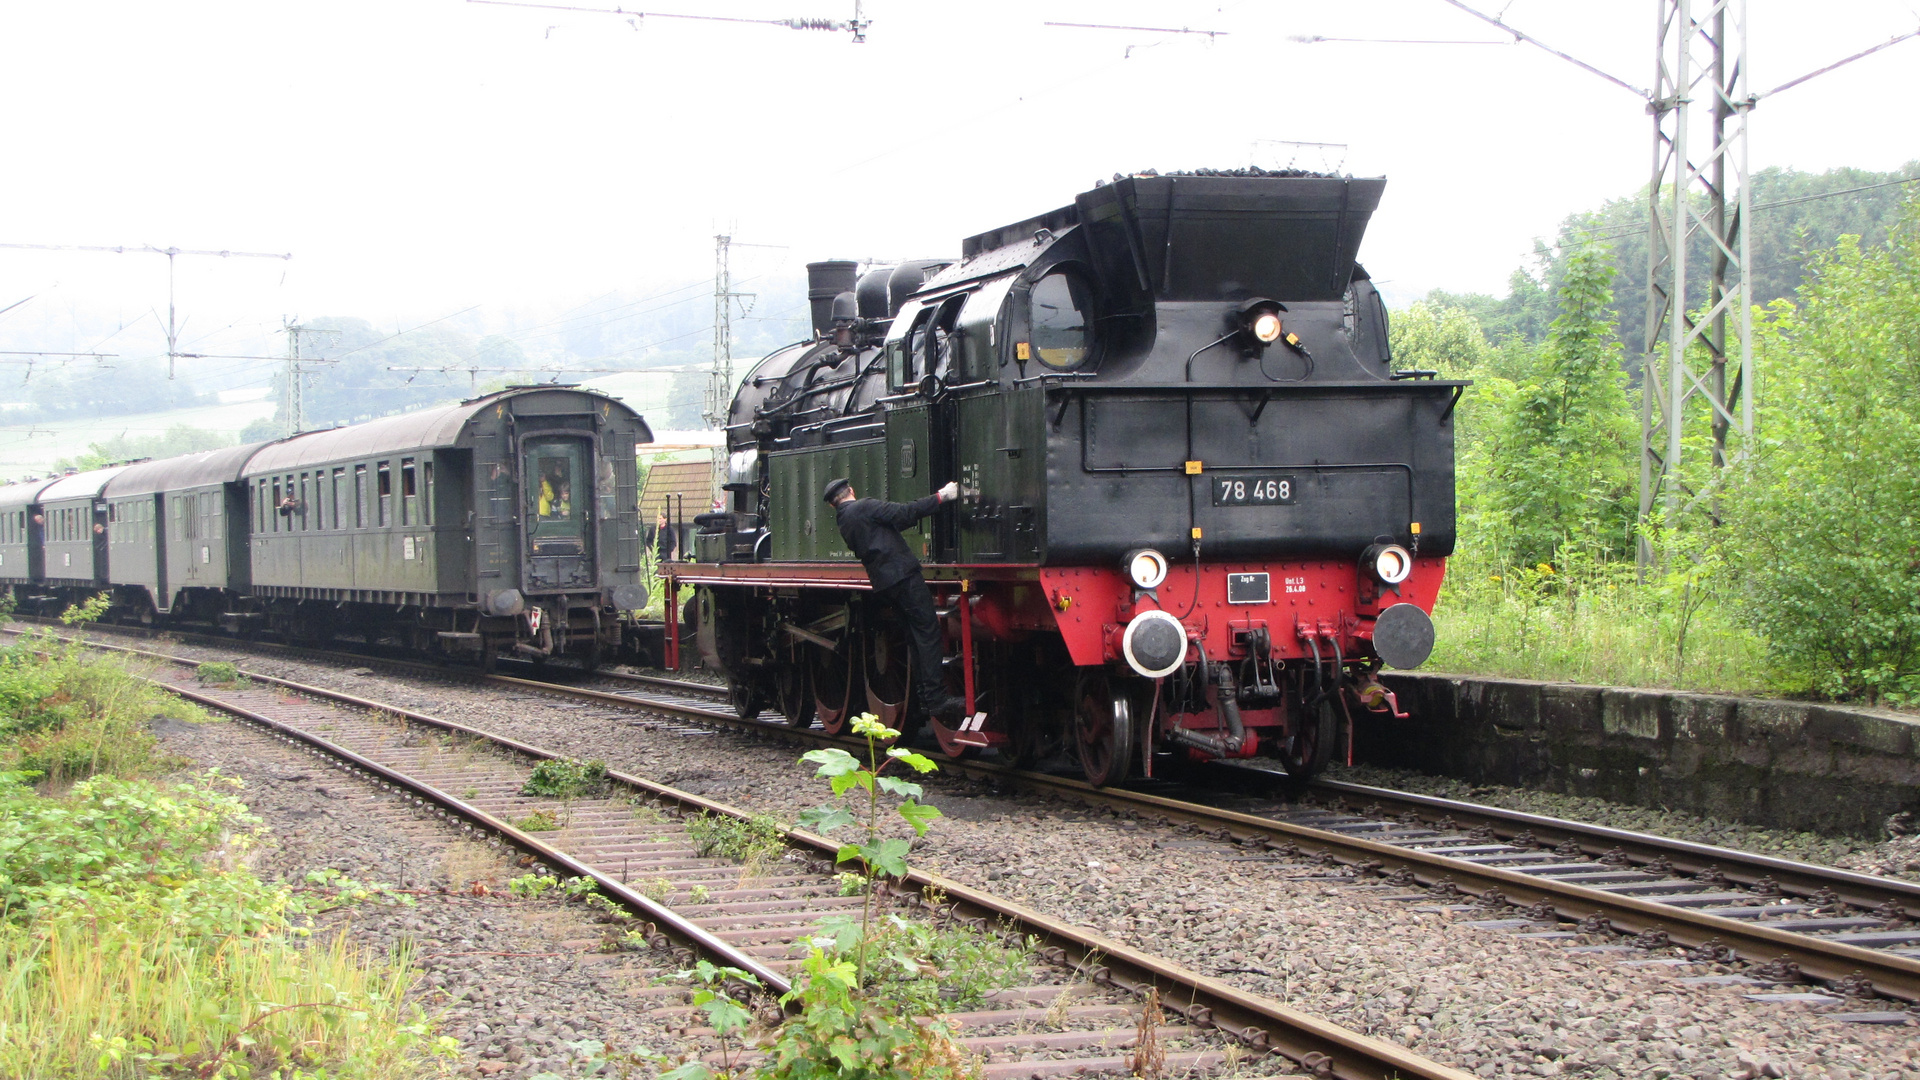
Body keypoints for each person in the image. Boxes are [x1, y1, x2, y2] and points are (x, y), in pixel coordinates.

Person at [824, 476, 965, 722]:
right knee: (928, 632)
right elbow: (904, 513)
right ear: (852, 490)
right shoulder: (864, 507)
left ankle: (926, 698)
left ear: (832, 505)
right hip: (903, 577)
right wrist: (942, 496)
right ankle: (936, 698)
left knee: (914, 637)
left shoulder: (844, 521)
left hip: (885, 584)